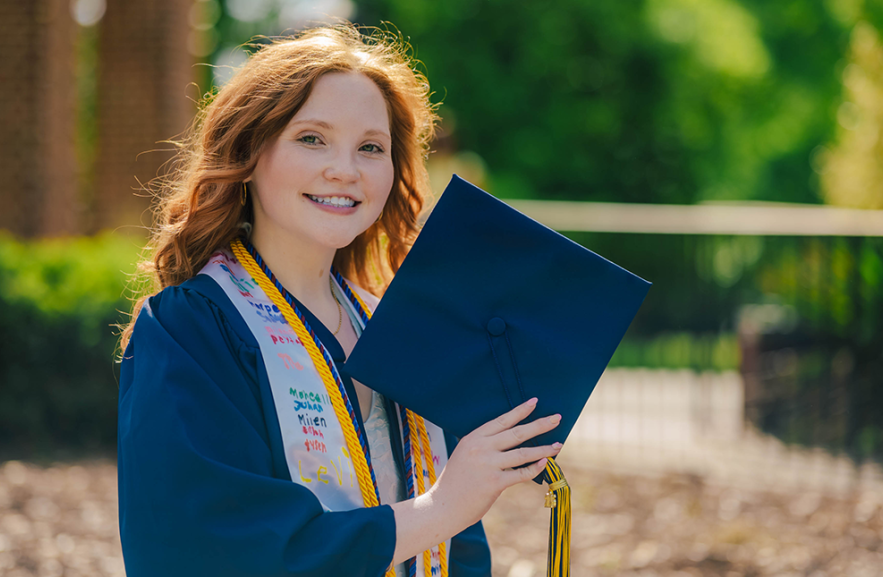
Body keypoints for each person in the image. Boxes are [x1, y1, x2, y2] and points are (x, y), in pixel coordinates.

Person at [117, 24, 563, 577]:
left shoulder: (398, 331)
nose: (345, 170)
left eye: (371, 148)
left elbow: (457, 546)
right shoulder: (192, 328)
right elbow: (209, 542)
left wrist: (500, 458)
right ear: (249, 152)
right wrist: (442, 506)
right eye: (312, 138)